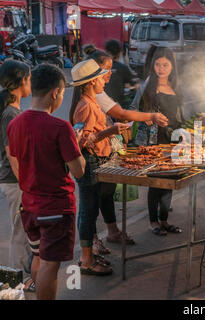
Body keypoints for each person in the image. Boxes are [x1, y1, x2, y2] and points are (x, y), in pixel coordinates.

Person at [7, 64, 85, 299]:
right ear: (55, 93)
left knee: (39, 259)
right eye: (62, 93)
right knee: (50, 268)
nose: (62, 97)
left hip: (29, 206)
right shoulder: (60, 127)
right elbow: (78, 170)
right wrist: (77, 145)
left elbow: (19, 160)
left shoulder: (15, 124)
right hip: (55, 209)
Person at [85, 50, 168, 254]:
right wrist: (150, 116)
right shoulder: (90, 97)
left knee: (105, 193)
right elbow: (118, 113)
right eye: (106, 70)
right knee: (92, 200)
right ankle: (91, 243)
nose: (110, 74)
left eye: (110, 69)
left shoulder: (98, 92)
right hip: (94, 155)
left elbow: (117, 116)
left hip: (105, 151)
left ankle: (112, 231)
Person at [69, 59, 128, 275]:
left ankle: (89, 255)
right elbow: (83, 141)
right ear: (92, 82)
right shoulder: (85, 106)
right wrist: (112, 131)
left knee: (92, 209)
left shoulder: (92, 102)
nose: (105, 79)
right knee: (88, 210)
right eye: (101, 77)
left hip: (99, 161)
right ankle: (86, 260)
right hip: (90, 163)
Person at [138, 47, 184, 236]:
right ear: (152, 65)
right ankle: (153, 222)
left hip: (172, 138)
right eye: (157, 64)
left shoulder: (176, 87)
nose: (161, 68)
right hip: (154, 139)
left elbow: (180, 114)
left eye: (165, 65)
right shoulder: (148, 86)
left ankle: (164, 220)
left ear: (172, 66)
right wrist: (150, 118)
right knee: (156, 181)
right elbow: (139, 113)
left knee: (169, 179)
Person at [0, 60, 34, 290]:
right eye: (29, 79)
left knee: (23, 232)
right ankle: (15, 283)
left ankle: (20, 279)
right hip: (15, 182)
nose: (30, 83)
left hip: (15, 181)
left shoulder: (13, 110)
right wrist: (27, 184)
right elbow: (12, 153)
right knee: (20, 234)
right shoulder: (11, 114)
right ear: (22, 80)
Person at [104, 39, 139, 108]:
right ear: (119, 53)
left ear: (106, 52)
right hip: (116, 106)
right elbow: (136, 86)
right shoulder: (122, 67)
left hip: (100, 104)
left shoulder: (99, 66)